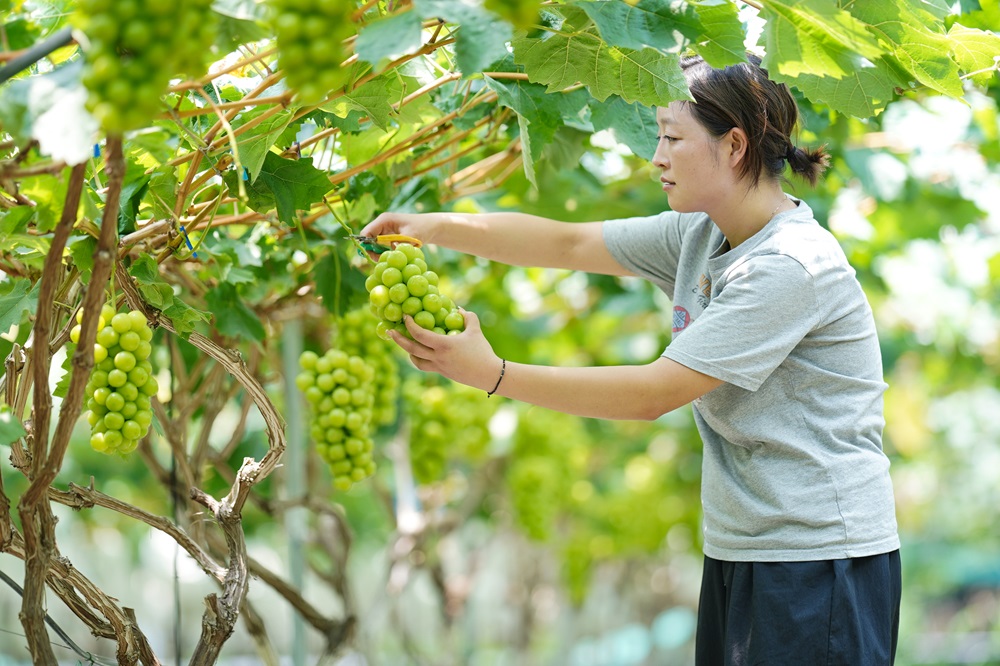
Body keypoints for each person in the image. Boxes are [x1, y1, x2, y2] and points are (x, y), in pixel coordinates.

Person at [359, 53, 901, 665]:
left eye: (671, 137)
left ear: (734, 145)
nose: (657, 157)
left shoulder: (788, 266)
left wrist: (494, 375)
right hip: (744, 546)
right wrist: (430, 226)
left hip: (817, 558)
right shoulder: (701, 233)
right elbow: (569, 242)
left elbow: (654, 393)